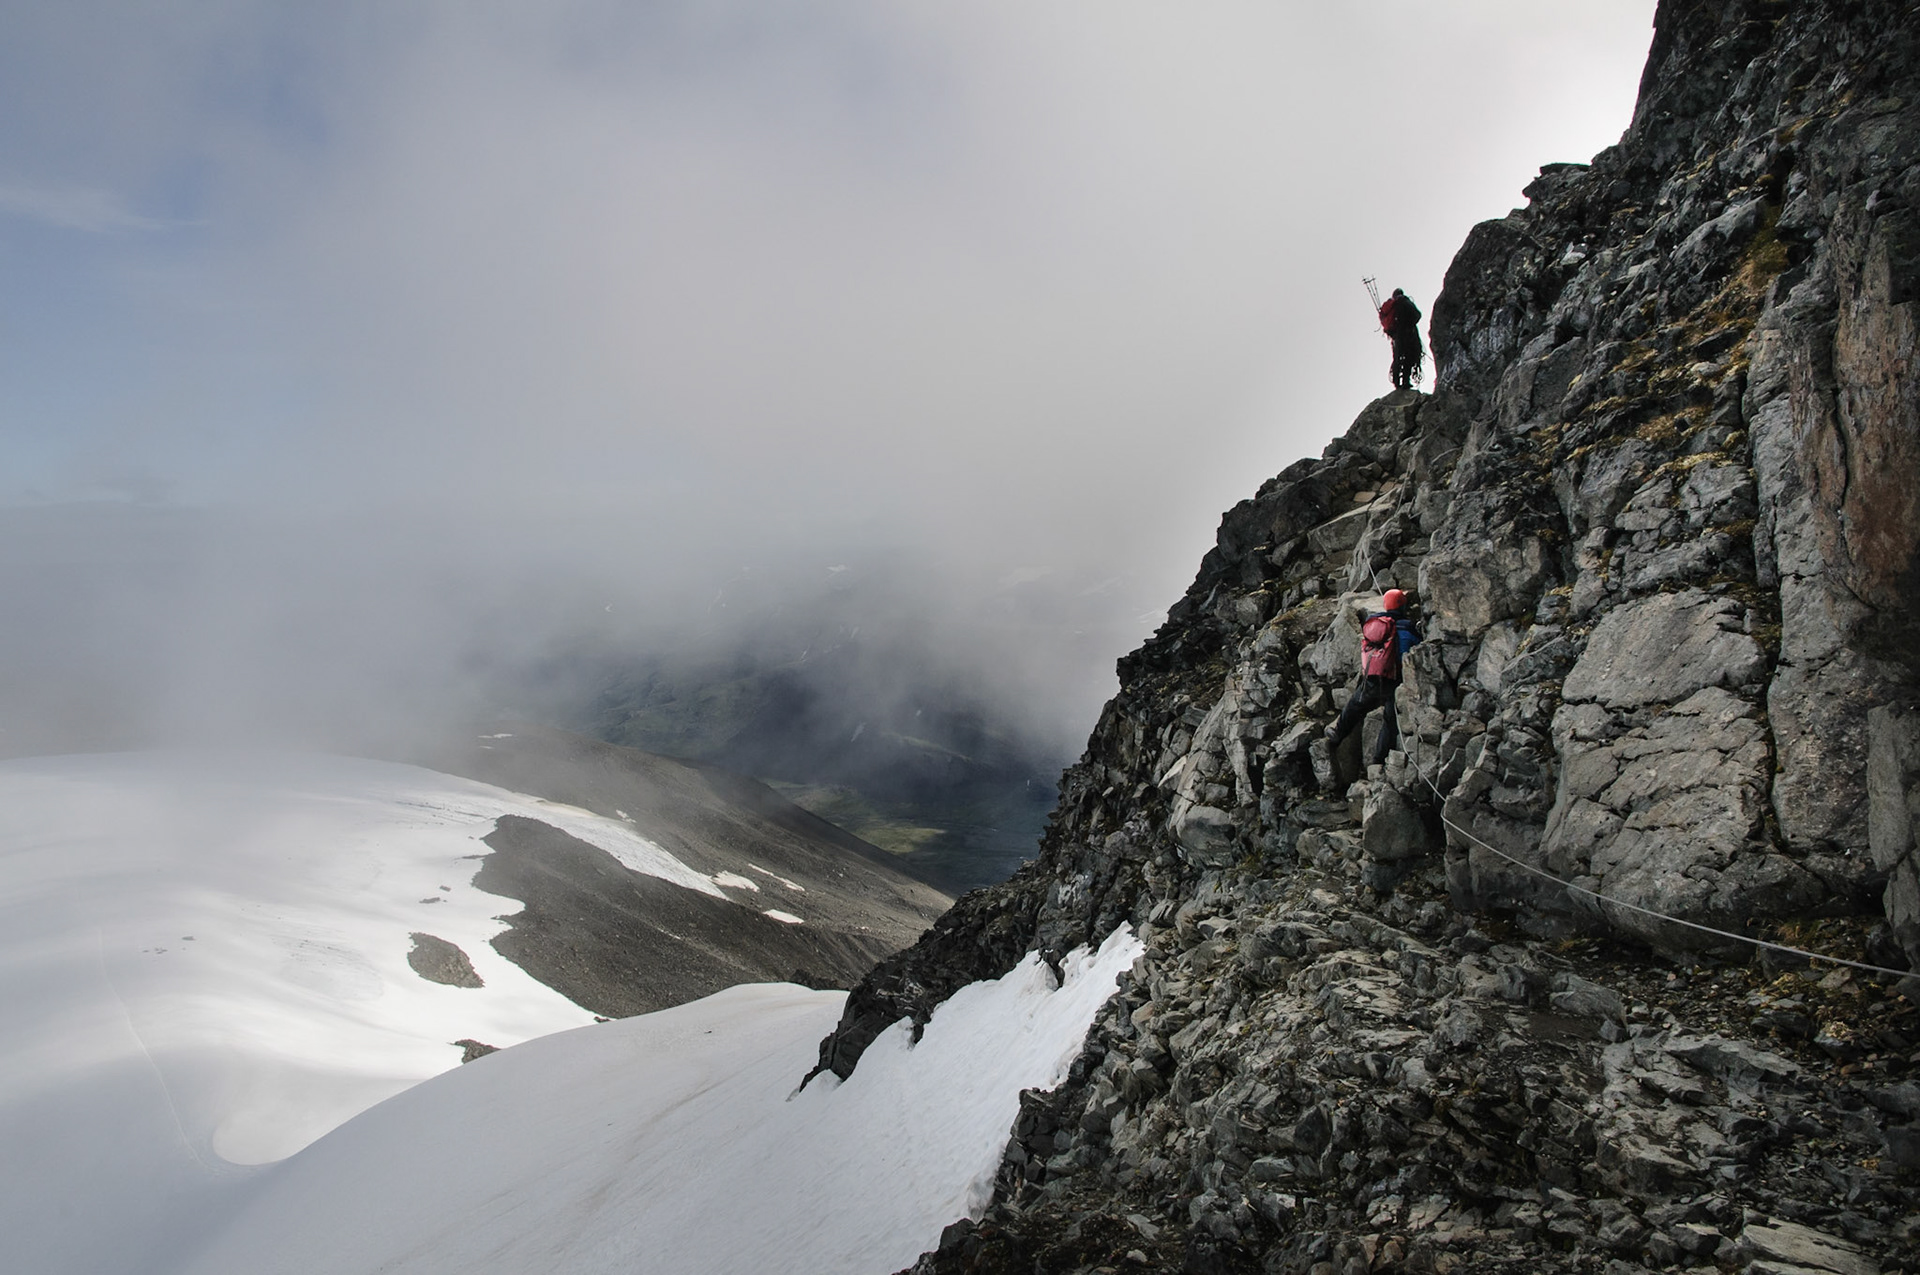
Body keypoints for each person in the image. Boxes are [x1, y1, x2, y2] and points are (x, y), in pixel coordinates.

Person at [1325, 588, 1422, 767]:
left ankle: (1337, 733)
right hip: (1394, 681)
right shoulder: (1407, 627)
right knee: (1390, 720)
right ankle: (1379, 759)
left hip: (1372, 677)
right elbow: (1412, 650)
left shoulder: (1376, 624)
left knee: (1355, 705)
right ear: (1403, 606)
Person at [1378, 288, 1424, 391]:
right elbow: (1417, 315)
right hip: (1408, 334)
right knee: (1409, 357)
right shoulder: (1405, 301)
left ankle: (1396, 382)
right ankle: (1405, 382)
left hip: (1396, 336)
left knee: (1398, 358)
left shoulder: (1390, 306)